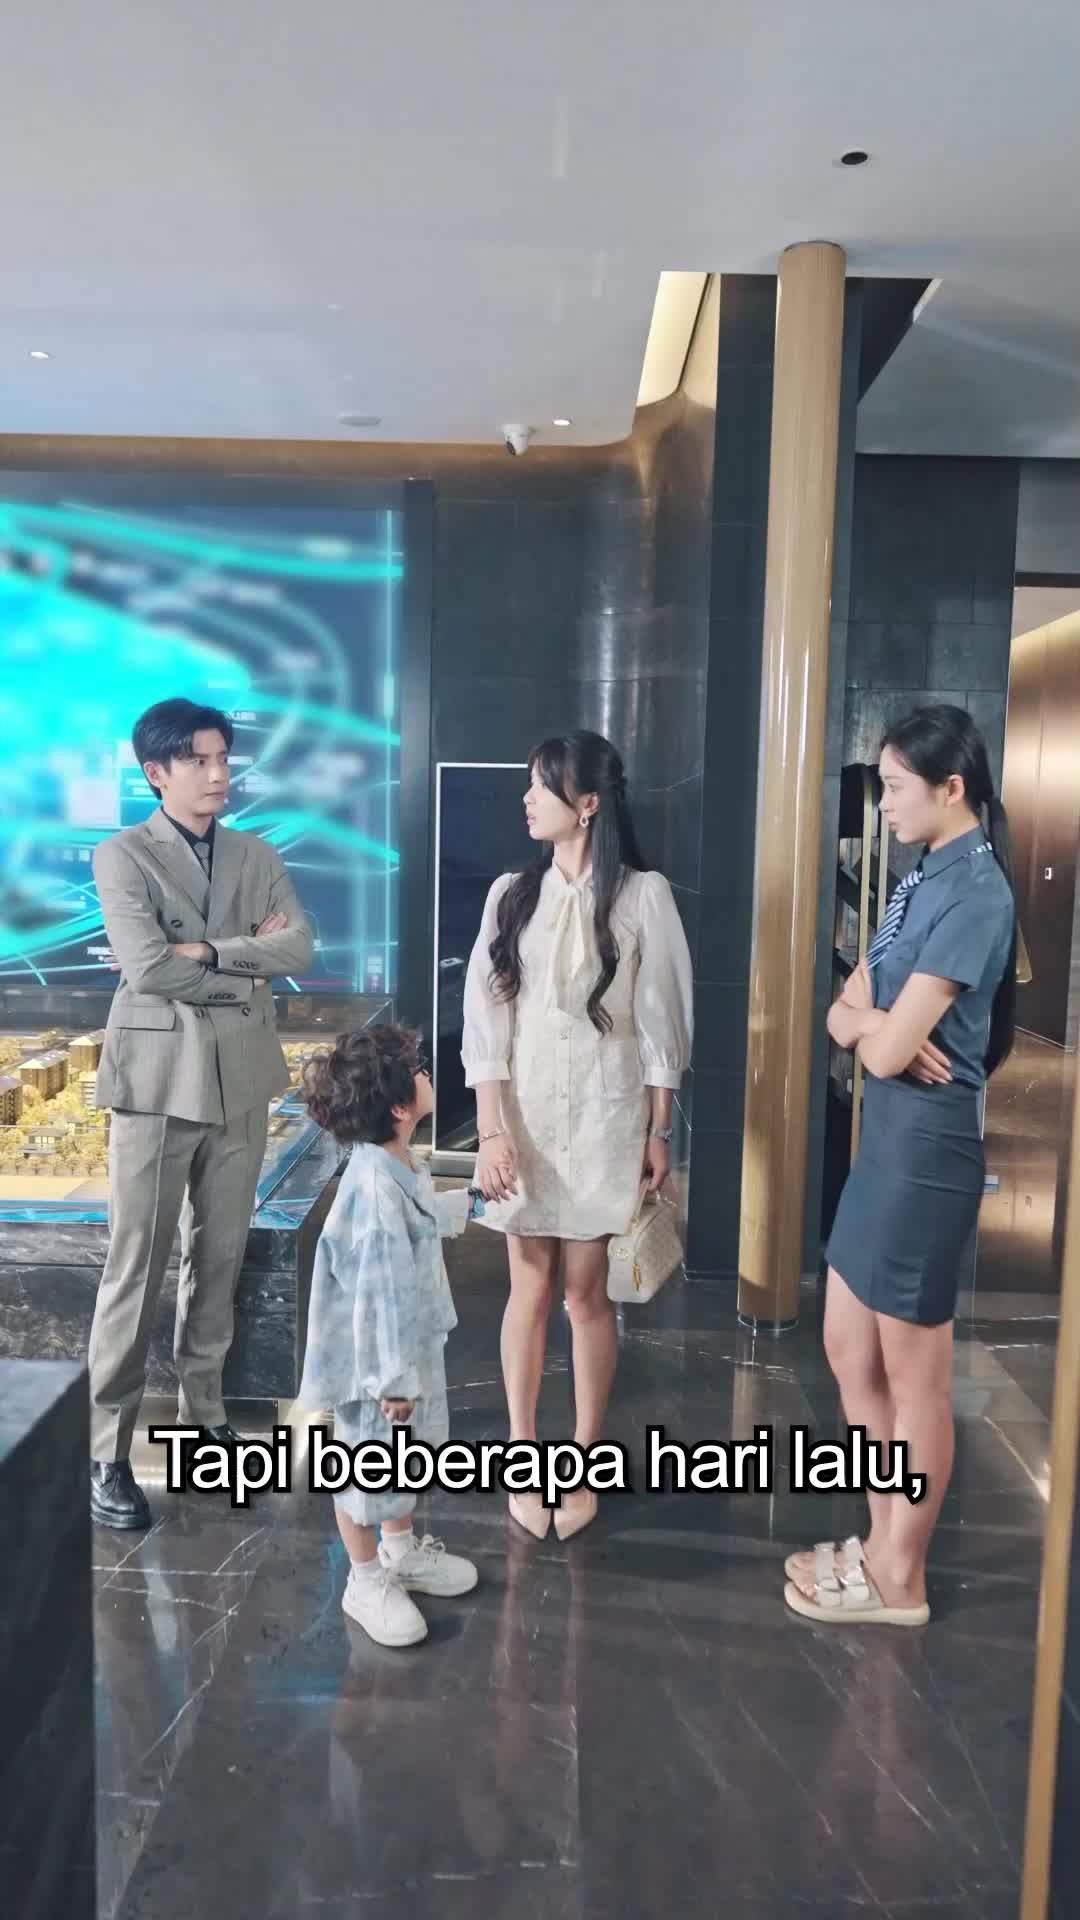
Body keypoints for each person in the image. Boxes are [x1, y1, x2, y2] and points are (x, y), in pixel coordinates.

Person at [785, 705, 1016, 1627]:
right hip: (883, 1146)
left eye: (893, 787)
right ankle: (881, 1538)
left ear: (950, 789)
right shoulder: (920, 877)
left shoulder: (978, 892)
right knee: (848, 1348)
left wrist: (870, 1030)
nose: (882, 805)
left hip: (927, 1153)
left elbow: (876, 1050)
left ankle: (900, 1577)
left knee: (915, 1378)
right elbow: (845, 1010)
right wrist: (872, 1023)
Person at [88, 697, 313, 1529]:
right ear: (157, 772)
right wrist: (247, 967)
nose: (220, 775)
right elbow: (148, 969)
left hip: (241, 1077)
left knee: (219, 1259)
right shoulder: (122, 856)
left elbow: (298, 946)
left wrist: (214, 950)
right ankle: (106, 1453)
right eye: (201, 761)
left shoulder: (257, 852)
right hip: (155, 1082)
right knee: (136, 1266)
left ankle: (205, 1418)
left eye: (224, 759)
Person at [462, 731, 693, 1541]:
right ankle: (524, 1457)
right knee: (528, 1288)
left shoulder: (642, 896)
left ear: (588, 803)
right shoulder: (510, 894)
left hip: (605, 1116)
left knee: (586, 1293)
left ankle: (586, 1460)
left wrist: (659, 1129)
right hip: (525, 1119)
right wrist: (491, 1132)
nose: (526, 799)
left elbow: (662, 1021)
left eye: (542, 786)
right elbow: (486, 1022)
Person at [297, 1024, 480, 1648]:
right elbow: (377, 1299)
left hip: (406, 1349)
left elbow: (421, 1218)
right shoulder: (375, 1193)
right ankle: (365, 1577)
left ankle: (399, 1551)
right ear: (400, 1107)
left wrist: (472, 1203)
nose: (427, 1074)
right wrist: (392, 1382)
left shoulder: (394, 1162)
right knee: (365, 1470)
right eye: (418, 1070)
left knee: (406, 1458)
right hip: (376, 1369)